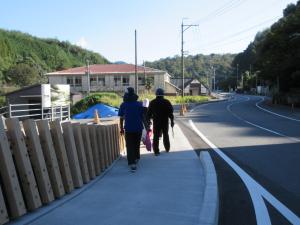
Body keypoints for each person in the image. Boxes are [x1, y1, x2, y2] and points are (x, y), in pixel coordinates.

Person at [118, 87, 144, 172]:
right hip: (138, 128)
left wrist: (121, 128)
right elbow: (143, 117)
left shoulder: (123, 105)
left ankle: (132, 163)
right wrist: (147, 127)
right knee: (136, 144)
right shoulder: (139, 104)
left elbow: (121, 118)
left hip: (128, 129)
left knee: (129, 146)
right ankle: (136, 158)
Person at [147, 88, 174, 156]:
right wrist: (172, 121)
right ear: (163, 94)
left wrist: (148, 121)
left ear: (156, 94)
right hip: (165, 121)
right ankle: (167, 148)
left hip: (156, 122)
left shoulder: (152, 102)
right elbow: (171, 113)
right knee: (165, 134)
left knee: (156, 136)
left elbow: (149, 113)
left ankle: (156, 151)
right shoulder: (167, 102)